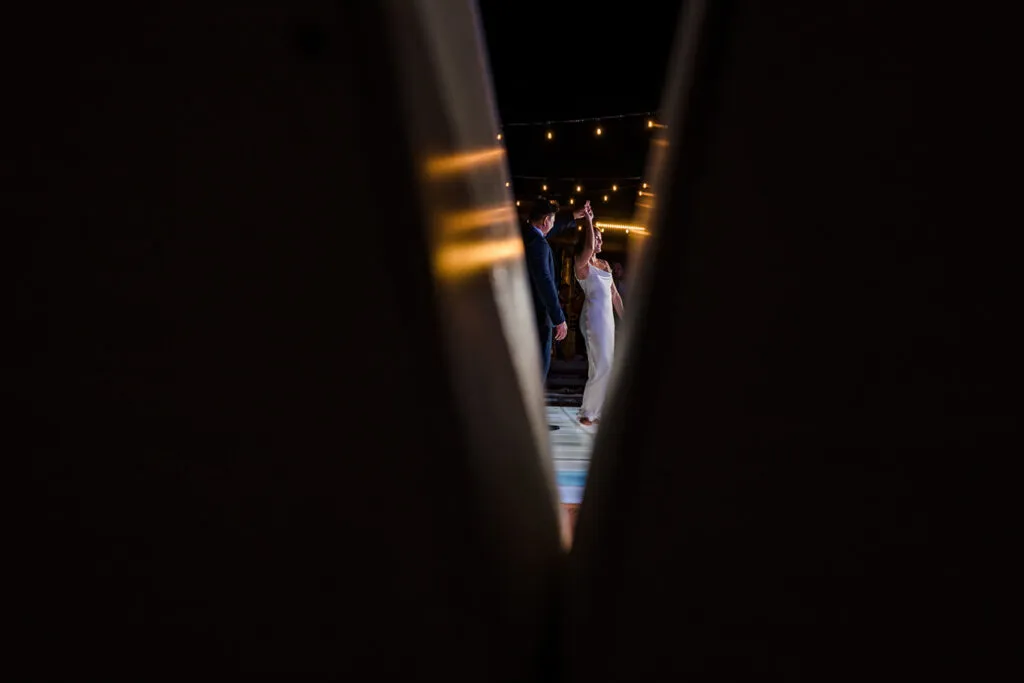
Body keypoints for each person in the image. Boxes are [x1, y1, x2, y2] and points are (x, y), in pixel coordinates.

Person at [521, 197, 589, 430]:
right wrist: (559, 317)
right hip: (539, 315)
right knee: (540, 365)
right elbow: (545, 282)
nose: (552, 224)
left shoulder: (528, 236)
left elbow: (552, 228)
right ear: (546, 220)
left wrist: (572, 217)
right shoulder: (537, 245)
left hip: (527, 315)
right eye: (551, 220)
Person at [572, 211, 624, 426]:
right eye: (597, 237)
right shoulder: (582, 264)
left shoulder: (604, 264)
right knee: (602, 365)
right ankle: (588, 413)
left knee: (604, 365)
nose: (600, 241)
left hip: (607, 320)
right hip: (592, 318)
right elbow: (589, 248)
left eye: (601, 238)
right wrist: (589, 222)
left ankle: (592, 411)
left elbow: (614, 294)